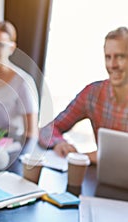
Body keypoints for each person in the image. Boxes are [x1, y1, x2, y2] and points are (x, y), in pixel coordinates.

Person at [38, 26, 128, 164]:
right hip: (105, 178)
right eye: (108, 57)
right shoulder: (93, 94)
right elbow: (48, 130)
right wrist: (59, 143)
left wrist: (88, 157)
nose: (112, 65)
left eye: (120, 57)